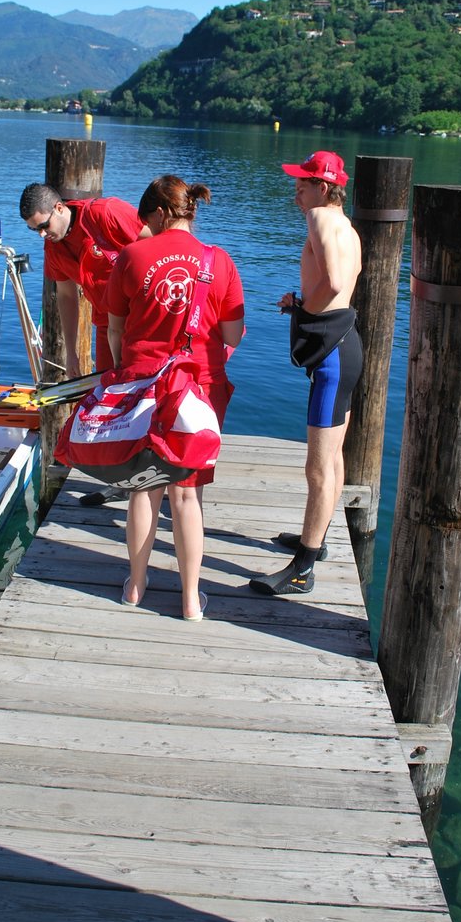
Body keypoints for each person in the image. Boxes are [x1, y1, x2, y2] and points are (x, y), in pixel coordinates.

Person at [104, 175, 245, 621]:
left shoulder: (130, 257)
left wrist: (122, 376)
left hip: (143, 387)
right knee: (187, 495)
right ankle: (189, 600)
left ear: (162, 213)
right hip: (199, 390)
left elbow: (114, 330)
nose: (142, 229)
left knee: (145, 488)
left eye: (146, 220)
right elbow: (233, 333)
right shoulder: (218, 261)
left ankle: (136, 587)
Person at [249, 151, 362, 597]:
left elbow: (334, 283)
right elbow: (347, 277)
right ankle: (314, 539)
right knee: (333, 458)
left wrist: (303, 310)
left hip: (332, 355)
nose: (296, 192)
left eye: (303, 184)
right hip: (345, 344)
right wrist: (303, 302)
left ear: (324, 187)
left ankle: (302, 569)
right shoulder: (345, 225)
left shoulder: (320, 218)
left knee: (316, 469)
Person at [19, 183, 147, 378]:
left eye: (44, 226)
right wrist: (71, 353)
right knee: (109, 392)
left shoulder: (104, 214)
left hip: (144, 320)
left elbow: (159, 242)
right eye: (35, 230)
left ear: (59, 208)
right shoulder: (53, 249)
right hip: (107, 326)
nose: (42, 234)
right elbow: (67, 296)